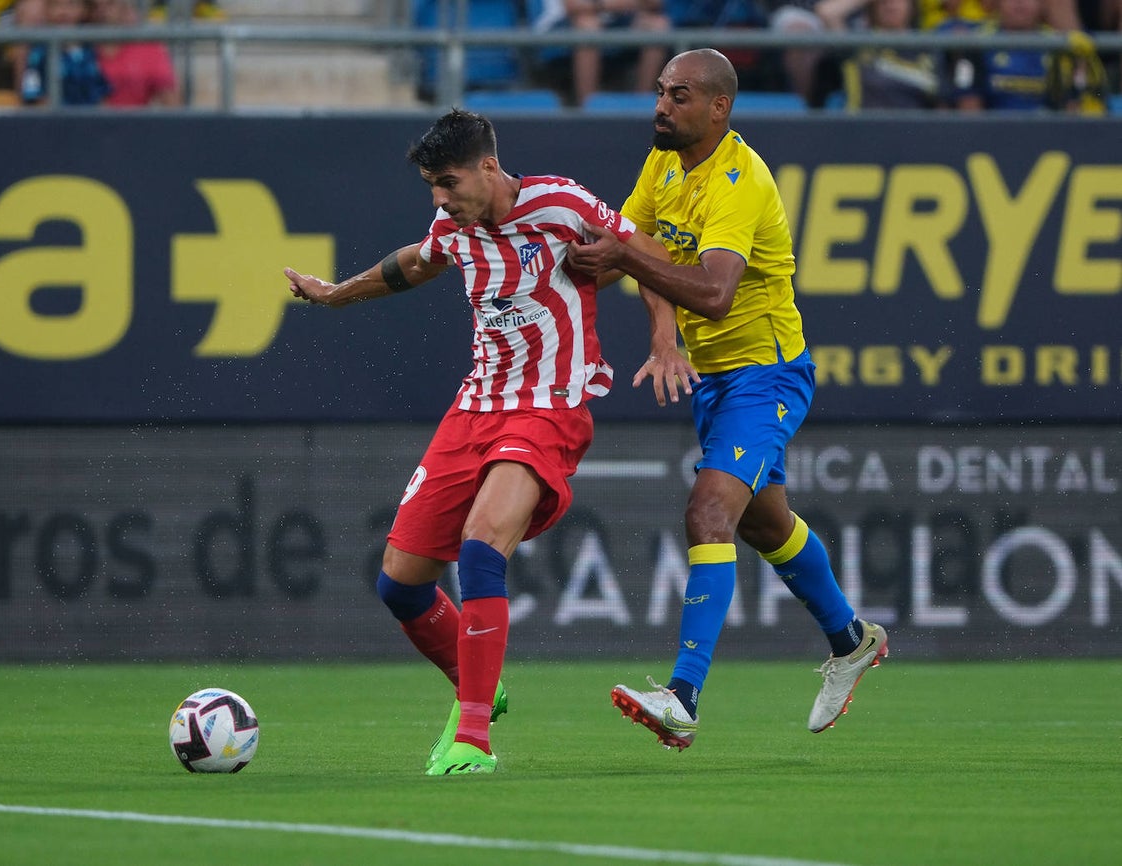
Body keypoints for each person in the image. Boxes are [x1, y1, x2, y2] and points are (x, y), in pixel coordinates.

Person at [283, 109, 667, 775]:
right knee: (400, 585)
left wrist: (665, 339)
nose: (439, 198)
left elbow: (648, 253)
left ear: (489, 167)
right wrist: (337, 296)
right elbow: (413, 264)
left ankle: (473, 737)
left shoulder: (560, 203)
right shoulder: (452, 227)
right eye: (432, 185)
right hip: (476, 407)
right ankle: (479, 673)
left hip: (549, 406)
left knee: (482, 547)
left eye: (448, 182)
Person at [566, 48, 889, 750]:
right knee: (764, 524)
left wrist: (627, 262)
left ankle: (682, 695)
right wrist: (660, 337)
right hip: (714, 378)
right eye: (658, 92)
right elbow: (636, 241)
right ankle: (852, 638)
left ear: (720, 107)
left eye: (678, 96)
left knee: (708, 511)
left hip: (765, 373)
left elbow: (711, 294)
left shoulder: (739, 180)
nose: (660, 106)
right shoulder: (665, 160)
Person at [942, 0, 1107, 113]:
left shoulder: (1059, 47)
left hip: (1048, 135)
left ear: (1042, 3)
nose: (1020, 2)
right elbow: (969, 108)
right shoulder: (976, 43)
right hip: (991, 134)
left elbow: (1071, 108)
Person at [533, 0, 672, 106]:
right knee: (588, 26)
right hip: (559, 24)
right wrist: (625, 4)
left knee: (658, 25)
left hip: (613, 20)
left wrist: (600, 5)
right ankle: (588, 107)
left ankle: (641, 103)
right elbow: (575, 6)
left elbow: (655, 3)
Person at [817, 0, 944, 109]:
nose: (890, 4)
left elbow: (942, 103)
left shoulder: (927, 46)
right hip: (865, 129)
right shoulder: (859, 43)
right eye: (883, 0)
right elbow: (827, 12)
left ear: (911, 5)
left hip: (917, 131)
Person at [87, 0, 179, 107]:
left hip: (135, 122)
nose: (101, 11)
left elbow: (172, 104)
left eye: (110, 3)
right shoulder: (77, 50)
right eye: (94, 6)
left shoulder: (148, 48)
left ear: (125, 8)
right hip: (85, 122)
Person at [18, 0, 109, 105]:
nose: (64, 11)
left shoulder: (90, 50)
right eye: (56, 4)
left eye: (71, 4)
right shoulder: (39, 52)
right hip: (53, 119)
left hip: (89, 117)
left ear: (84, 10)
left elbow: (100, 91)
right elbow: (33, 93)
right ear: (47, 10)